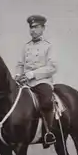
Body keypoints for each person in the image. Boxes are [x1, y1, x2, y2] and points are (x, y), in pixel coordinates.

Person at [15, 15, 57, 147]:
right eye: (31, 27)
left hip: (41, 82)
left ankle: (48, 133)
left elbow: (52, 67)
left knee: (45, 101)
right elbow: (20, 64)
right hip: (25, 84)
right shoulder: (26, 46)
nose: (32, 30)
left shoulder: (48, 46)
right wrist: (17, 75)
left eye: (36, 27)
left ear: (43, 28)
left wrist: (32, 74)